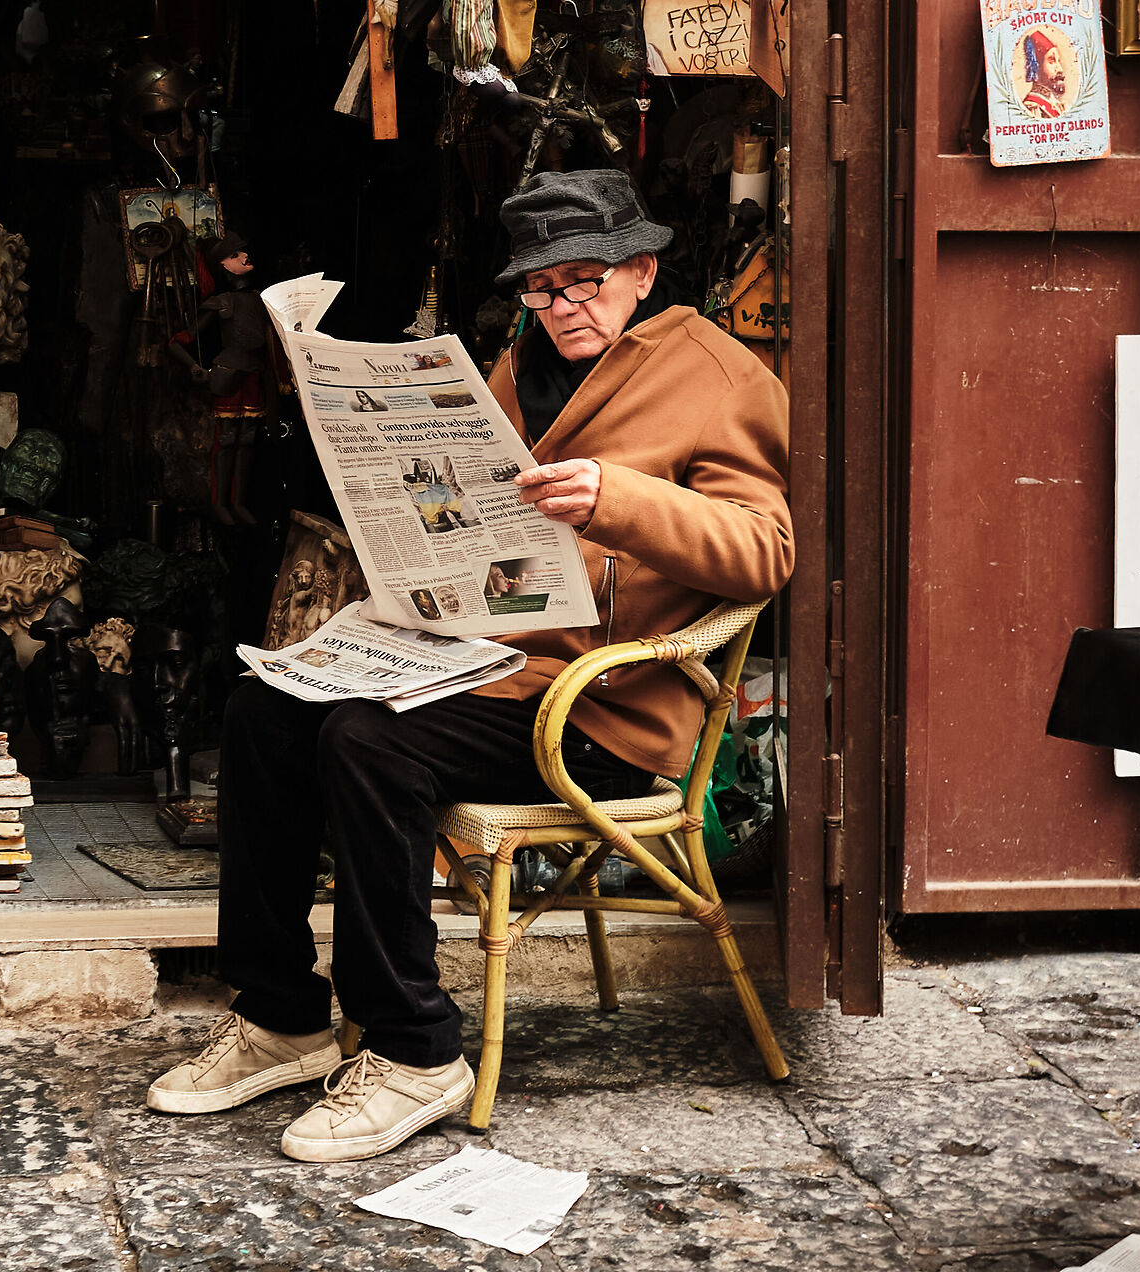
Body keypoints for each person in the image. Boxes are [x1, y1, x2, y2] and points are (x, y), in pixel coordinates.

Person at [146, 167, 792, 1162]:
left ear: (642, 271)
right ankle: (282, 1017)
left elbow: (767, 552)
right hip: (487, 665)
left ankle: (414, 1050)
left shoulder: (720, 377)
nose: (563, 306)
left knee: (367, 743)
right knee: (264, 712)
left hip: (600, 710)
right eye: (541, 286)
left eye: (585, 281)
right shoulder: (518, 359)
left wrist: (619, 500)